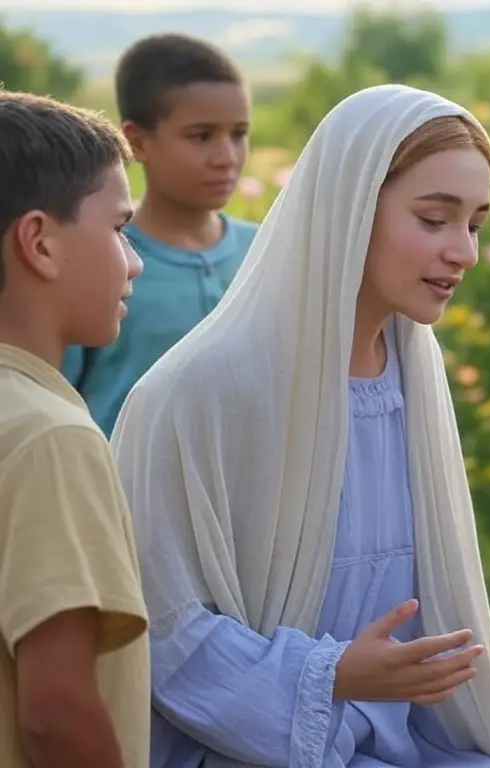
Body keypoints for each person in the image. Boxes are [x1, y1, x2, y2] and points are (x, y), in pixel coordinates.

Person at [109, 84, 490, 768]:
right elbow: (158, 623)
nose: (465, 252)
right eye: (433, 219)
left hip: (407, 745)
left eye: (474, 224)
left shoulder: (413, 370)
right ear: (349, 207)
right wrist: (330, 677)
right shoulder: (203, 390)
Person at [0, 92, 148, 767]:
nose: (135, 260)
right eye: (119, 228)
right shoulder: (52, 438)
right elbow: (57, 713)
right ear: (39, 243)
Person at [62, 33, 258, 435]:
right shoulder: (98, 260)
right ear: (137, 142)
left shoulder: (265, 251)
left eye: (239, 134)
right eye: (202, 136)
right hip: (120, 492)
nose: (227, 157)